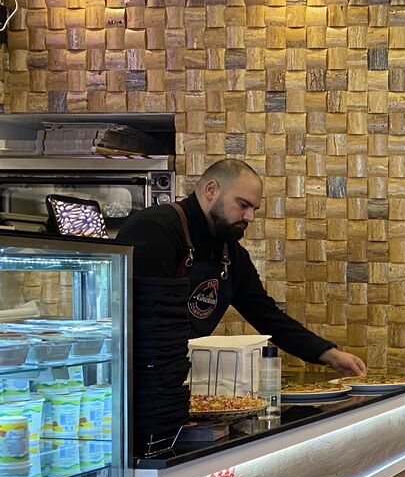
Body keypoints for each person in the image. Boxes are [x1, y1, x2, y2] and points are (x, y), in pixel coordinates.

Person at [117, 159, 366, 377]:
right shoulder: (155, 229)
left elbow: (267, 316)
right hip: (135, 381)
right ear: (211, 190)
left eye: (254, 209)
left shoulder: (230, 253)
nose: (250, 217)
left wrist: (329, 354)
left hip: (176, 380)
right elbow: (144, 324)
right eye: (243, 205)